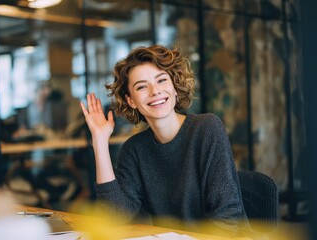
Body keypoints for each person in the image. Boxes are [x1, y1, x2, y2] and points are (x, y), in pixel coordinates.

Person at [80, 45, 251, 236]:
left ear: (175, 87)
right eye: (142, 86)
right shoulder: (135, 149)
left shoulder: (206, 129)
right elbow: (114, 218)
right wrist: (100, 141)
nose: (155, 91)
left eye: (161, 80)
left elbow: (227, 218)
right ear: (131, 101)